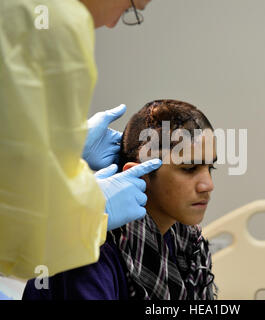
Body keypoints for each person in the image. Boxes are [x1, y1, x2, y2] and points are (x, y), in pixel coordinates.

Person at [0, 0, 159, 280]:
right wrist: (94, 209)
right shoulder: (55, 21)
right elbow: (22, 228)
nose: (110, 25)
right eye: (129, 9)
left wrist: (62, 148)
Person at [22, 99, 218, 300]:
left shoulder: (185, 242)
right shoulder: (90, 253)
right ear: (140, 174)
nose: (208, 185)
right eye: (189, 169)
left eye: (210, 168)